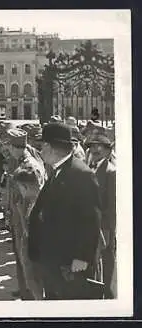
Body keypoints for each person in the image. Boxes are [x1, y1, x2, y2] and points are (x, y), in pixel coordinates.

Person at [28, 122, 103, 300]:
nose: (40, 151)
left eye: (42, 146)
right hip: (53, 258)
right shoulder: (57, 170)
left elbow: (91, 219)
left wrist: (82, 256)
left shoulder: (81, 174)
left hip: (71, 261)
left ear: (49, 147)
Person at [3, 128, 46, 300]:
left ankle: (31, 293)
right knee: (21, 254)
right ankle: (25, 289)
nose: (8, 151)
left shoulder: (29, 165)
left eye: (9, 147)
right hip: (18, 214)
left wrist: (23, 217)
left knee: (27, 257)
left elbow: (34, 196)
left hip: (26, 217)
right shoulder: (20, 160)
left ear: (15, 147)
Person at [85, 134, 117, 299]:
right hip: (91, 225)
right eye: (91, 146)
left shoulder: (111, 172)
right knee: (94, 262)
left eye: (99, 146)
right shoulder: (90, 167)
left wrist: (107, 229)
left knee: (106, 260)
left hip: (103, 226)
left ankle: (108, 294)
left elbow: (112, 206)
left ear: (107, 150)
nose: (94, 149)